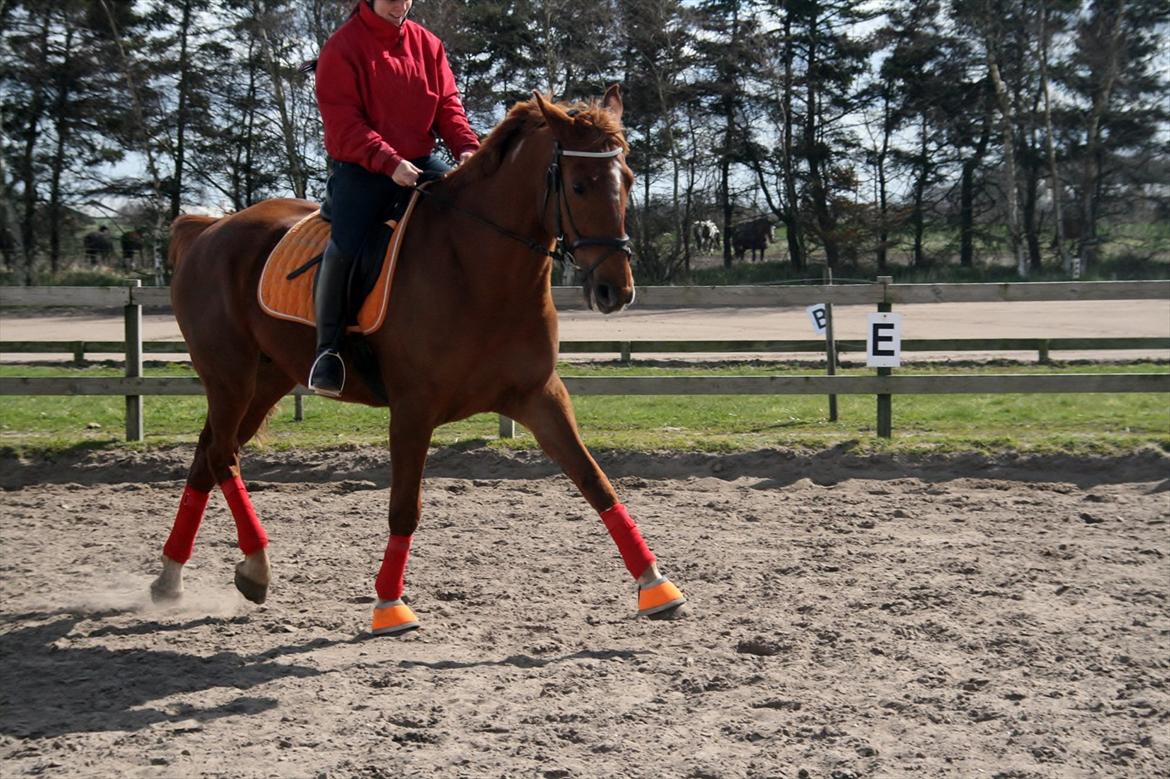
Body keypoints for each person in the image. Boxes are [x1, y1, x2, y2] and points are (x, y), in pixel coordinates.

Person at [310, 0, 480, 396]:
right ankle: (328, 352)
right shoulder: (341, 47)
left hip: (419, 162)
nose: (400, 4)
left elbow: (447, 105)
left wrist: (466, 149)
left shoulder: (428, 44)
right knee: (346, 245)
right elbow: (344, 124)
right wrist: (389, 162)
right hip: (363, 169)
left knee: (472, 216)